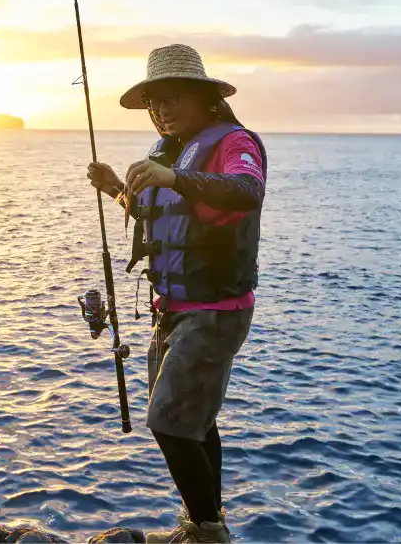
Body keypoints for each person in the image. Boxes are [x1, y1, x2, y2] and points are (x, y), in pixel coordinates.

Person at [86, 43, 266, 544]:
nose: (161, 110)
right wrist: (116, 188)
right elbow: (161, 215)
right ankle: (204, 520)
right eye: (154, 102)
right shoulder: (170, 152)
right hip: (174, 310)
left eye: (172, 97)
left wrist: (175, 176)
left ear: (205, 98)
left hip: (215, 308)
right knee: (194, 421)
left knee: (167, 420)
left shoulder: (235, 143)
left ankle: (208, 533)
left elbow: (246, 192)